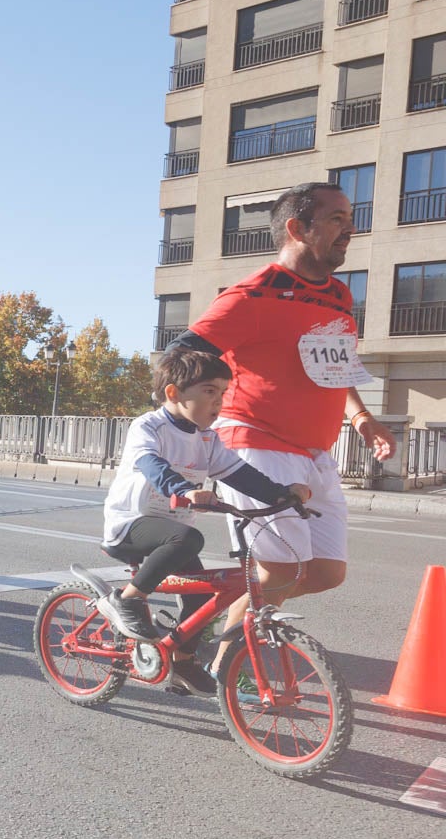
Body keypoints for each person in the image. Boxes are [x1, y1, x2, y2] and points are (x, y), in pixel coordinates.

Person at [168, 181, 396, 663]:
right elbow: (182, 355)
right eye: (336, 218)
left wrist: (361, 417)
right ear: (297, 228)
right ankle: (230, 669)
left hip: (315, 452)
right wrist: (199, 422)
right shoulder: (250, 296)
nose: (349, 229)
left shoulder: (338, 296)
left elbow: (337, 369)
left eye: (349, 218)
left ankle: (217, 625)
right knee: (280, 571)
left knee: (326, 571)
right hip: (256, 444)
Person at [99, 350, 311, 694]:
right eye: (210, 391)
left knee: (202, 596)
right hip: (131, 525)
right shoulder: (149, 426)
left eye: (223, 394)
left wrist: (280, 494)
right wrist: (182, 489)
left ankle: (181, 662)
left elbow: (241, 474)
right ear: (174, 393)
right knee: (189, 538)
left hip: (171, 534)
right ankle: (127, 599)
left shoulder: (208, 440)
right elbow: (151, 464)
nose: (219, 402)